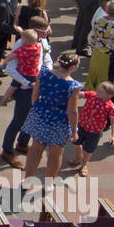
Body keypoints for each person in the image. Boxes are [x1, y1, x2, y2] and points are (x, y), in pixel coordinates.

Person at [21, 51, 83, 181]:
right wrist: (74, 130)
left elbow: (35, 93)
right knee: (55, 154)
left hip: (40, 114)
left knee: (36, 149)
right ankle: (48, 185)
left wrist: (36, 109)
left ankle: (27, 181)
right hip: (59, 121)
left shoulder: (44, 73)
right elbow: (72, 111)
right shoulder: (73, 86)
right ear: (72, 67)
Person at [0, 15, 52, 168]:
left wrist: (46, 74)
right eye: (44, 31)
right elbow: (10, 68)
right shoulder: (20, 44)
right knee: (18, 120)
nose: (47, 33)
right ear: (35, 31)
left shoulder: (42, 41)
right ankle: (7, 151)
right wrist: (27, 83)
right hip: (25, 88)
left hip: (37, 85)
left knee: (32, 117)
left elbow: (46, 59)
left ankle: (22, 143)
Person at [70, 81, 114, 176]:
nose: (97, 92)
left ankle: (84, 164)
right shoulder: (92, 95)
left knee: (88, 150)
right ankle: (79, 155)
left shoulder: (111, 107)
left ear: (109, 96)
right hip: (82, 126)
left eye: (100, 91)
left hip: (95, 132)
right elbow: (81, 94)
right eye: (98, 89)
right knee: (75, 142)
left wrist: (113, 136)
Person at [87, 0, 114, 90]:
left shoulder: (100, 20)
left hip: (97, 54)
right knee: (105, 83)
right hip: (109, 58)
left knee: (95, 78)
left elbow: (93, 37)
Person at [1, 29, 43, 104]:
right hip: (34, 73)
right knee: (36, 89)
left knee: (13, 87)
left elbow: (10, 57)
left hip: (22, 72)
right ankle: (35, 102)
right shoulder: (38, 47)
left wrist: (4, 63)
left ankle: (4, 100)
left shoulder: (22, 50)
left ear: (25, 41)